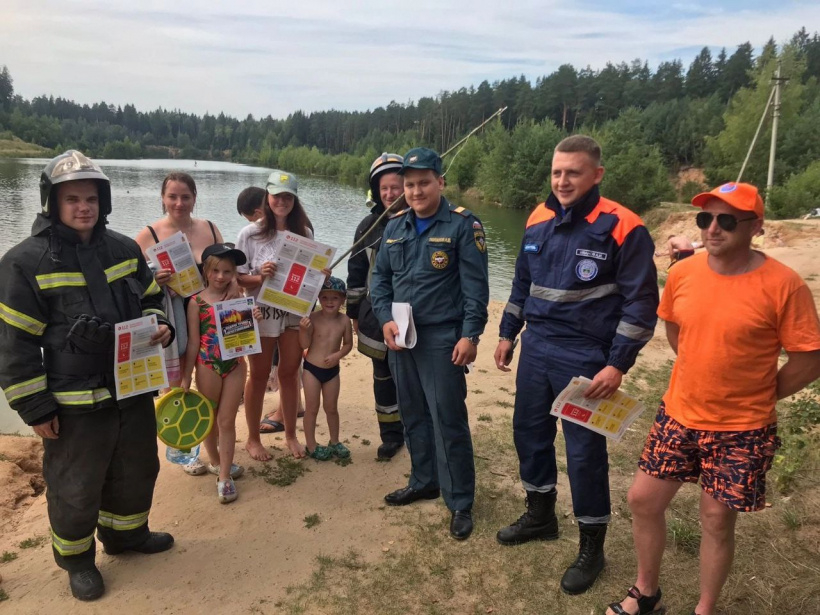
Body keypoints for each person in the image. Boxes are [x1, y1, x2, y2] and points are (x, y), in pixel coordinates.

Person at [605, 182, 820, 615]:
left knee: (716, 520)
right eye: (705, 219)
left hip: (743, 428)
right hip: (679, 413)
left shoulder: (784, 285)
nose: (713, 229)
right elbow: (674, 327)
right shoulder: (685, 273)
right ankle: (647, 594)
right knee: (642, 500)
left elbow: (809, 358)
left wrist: (760, 392)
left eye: (727, 220)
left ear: (756, 227)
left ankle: (705, 609)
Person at [0, 151, 175, 601]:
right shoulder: (25, 262)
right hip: (73, 401)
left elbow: (153, 296)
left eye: (91, 198)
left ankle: (126, 536)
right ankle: (77, 560)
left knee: (136, 470)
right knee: (75, 485)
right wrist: (35, 407)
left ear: (104, 201)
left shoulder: (123, 248)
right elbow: (14, 345)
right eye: (73, 198)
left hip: (132, 389)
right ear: (51, 202)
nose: (84, 207)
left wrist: (161, 324)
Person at [494, 135, 659, 595]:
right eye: (556, 172)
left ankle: (592, 546)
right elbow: (522, 284)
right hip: (537, 348)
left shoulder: (624, 226)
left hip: (587, 356)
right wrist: (508, 332)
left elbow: (642, 305)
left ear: (596, 175)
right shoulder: (537, 218)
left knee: (585, 455)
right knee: (528, 434)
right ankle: (540, 516)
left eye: (573, 172)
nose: (562, 181)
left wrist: (617, 365)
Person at [370, 147, 489, 540]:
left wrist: (471, 335)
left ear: (440, 182)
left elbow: (476, 289)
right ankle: (424, 480)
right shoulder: (395, 226)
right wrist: (385, 319)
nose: (416, 191)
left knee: (447, 418)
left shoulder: (462, 227)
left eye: (423, 183)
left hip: (442, 337)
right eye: (409, 185)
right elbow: (379, 281)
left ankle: (459, 502)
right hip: (402, 337)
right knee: (413, 413)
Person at [236, 170, 314, 460]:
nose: (282, 201)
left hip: (292, 310)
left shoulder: (304, 233)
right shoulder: (250, 233)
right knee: (257, 375)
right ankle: (253, 439)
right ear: (267, 198)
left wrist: (320, 275)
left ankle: (291, 435)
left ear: (294, 199)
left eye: (288, 196)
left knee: (290, 372)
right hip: (262, 311)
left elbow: (307, 275)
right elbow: (238, 278)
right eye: (277, 195)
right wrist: (259, 276)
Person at [135, 173, 227, 388]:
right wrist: (154, 280)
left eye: (185, 197)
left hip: (208, 313)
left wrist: (232, 285)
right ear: (163, 198)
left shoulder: (211, 229)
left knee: (209, 378)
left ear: (195, 198)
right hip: (173, 314)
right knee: (175, 385)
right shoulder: (149, 235)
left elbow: (229, 268)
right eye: (172, 196)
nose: (179, 203)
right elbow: (132, 281)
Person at [346, 153, 406, 460]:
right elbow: (355, 273)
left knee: (413, 376)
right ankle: (391, 435)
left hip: (414, 317)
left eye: (396, 187)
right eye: (384, 188)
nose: (390, 194)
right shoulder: (368, 227)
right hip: (375, 314)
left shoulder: (422, 222)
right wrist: (354, 313)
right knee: (382, 377)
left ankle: (416, 427)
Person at [181, 243, 249, 503]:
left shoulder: (237, 298)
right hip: (207, 364)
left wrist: (251, 314)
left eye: (227, 272)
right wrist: (187, 374)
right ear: (206, 271)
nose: (221, 277)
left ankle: (224, 476)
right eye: (216, 271)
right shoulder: (196, 302)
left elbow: (247, 333)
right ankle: (216, 461)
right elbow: (193, 342)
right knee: (209, 418)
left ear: (234, 274)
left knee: (226, 420)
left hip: (235, 365)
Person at [297, 277, 354, 460]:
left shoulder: (345, 320)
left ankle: (335, 441)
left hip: (332, 372)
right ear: (319, 299)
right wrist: (303, 330)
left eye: (335, 298)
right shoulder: (312, 318)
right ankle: (311, 445)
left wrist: (337, 355)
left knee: (331, 408)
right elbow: (304, 345)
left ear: (343, 300)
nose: (330, 302)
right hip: (312, 369)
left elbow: (348, 344)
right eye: (325, 297)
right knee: (312, 408)